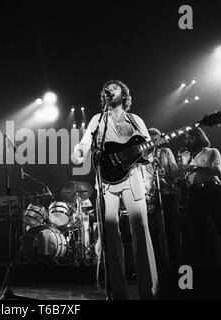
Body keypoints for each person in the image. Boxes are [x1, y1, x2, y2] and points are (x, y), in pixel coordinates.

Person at [71, 80, 158, 300]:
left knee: (140, 228)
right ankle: (118, 294)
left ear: (124, 94)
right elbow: (84, 145)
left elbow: (148, 153)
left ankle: (149, 292)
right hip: (107, 181)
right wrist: (78, 152)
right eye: (107, 89)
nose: (110, 90)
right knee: (110, 234)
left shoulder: (135, 120)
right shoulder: (97, 120)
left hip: (132, 178)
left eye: (115, 88)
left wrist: (149, 150)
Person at [176, 128, 221, 272]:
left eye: (188, 138)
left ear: (197, 137)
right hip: (195, 193)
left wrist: (194, 167)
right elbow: (186, 178)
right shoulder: (185, 155)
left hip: (213, 190)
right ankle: (209, 271)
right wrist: (182, 177)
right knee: (200, 233)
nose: (185, 140)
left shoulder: (212, 151)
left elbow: (218, 171)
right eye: (185, 138)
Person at [142, 128, 181, 266]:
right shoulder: (144, 157)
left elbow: (176, 173)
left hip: (167, 194)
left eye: (156, 139)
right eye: (151, 139)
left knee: (172, 230)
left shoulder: (166, 152)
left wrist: (166, 174)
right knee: (154, 232)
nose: (154, 142)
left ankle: (175, 263)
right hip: (151, 198)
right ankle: (157, 265)